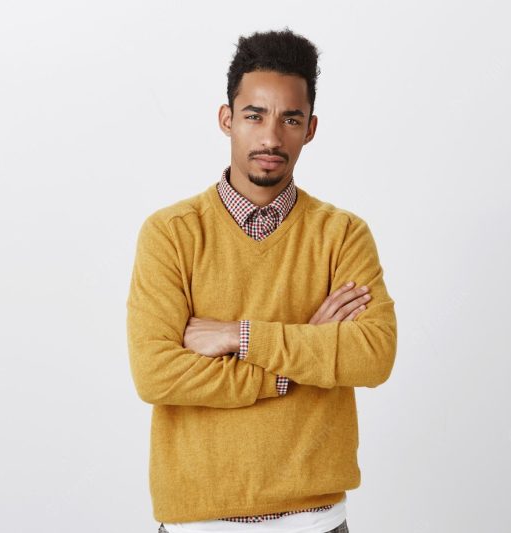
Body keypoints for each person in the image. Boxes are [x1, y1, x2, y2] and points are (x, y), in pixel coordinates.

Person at [126, 28, 397, 533]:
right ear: (227, 119)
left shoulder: (342, 235)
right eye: (255, 115)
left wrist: (238, 335)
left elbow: (374, 356)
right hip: (198, 521)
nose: (272, 137)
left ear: (310, 128)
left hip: (314, 520)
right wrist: (298, 362)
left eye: (289, 119)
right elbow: (155, 372)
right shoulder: (171, 234)